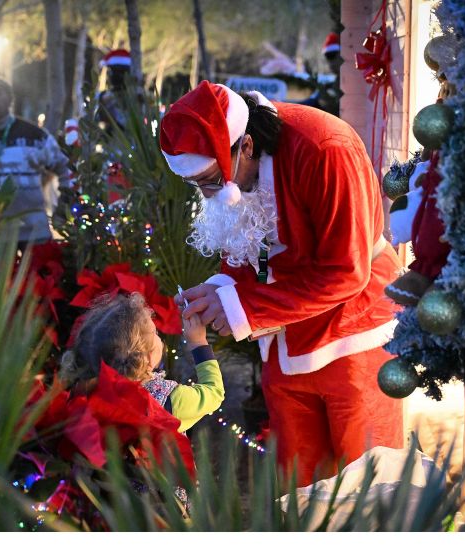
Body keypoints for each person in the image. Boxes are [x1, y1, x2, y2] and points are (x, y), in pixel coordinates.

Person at [161, 81, 403, 486]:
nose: (206, 193)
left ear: (248, 146)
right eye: (195, 183)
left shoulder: (326, 149)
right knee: (298, 484)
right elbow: (248, 239)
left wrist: (244, 308)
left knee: (368, 483)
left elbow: (347, 270)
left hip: (354, 335)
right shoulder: (241, 171)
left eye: (211, 179)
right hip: (286, 344)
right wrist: (222, 289)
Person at [60, 292, 225, 434]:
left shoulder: (84, 391)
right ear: (146, 359)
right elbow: (214, 393)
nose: (159, 338)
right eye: (156, 334)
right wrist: (198, 343)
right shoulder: (169, 400)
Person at [0, 76, 70, 248]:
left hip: (34, 235)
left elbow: (65, 167)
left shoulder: (34, 135)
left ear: (10, 99)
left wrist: (64, 206)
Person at [298, 32, 341, 116]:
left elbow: (336, 109)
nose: (330, 62)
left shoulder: (349, 83)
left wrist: (319, 87)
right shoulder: (334, 83)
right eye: (327, 56)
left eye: (332, 55)